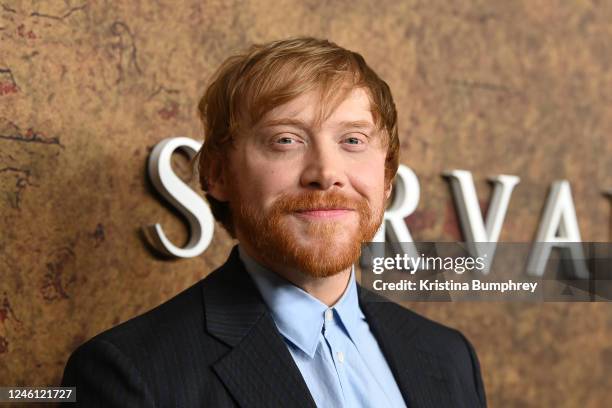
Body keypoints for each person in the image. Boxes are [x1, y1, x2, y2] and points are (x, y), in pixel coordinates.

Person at [61, 36, 487, 408]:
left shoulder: (450, 358)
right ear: (217, 174)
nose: (326, 172)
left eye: (352, 140)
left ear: (388, 178)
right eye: (286, 140)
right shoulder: (130, 373)